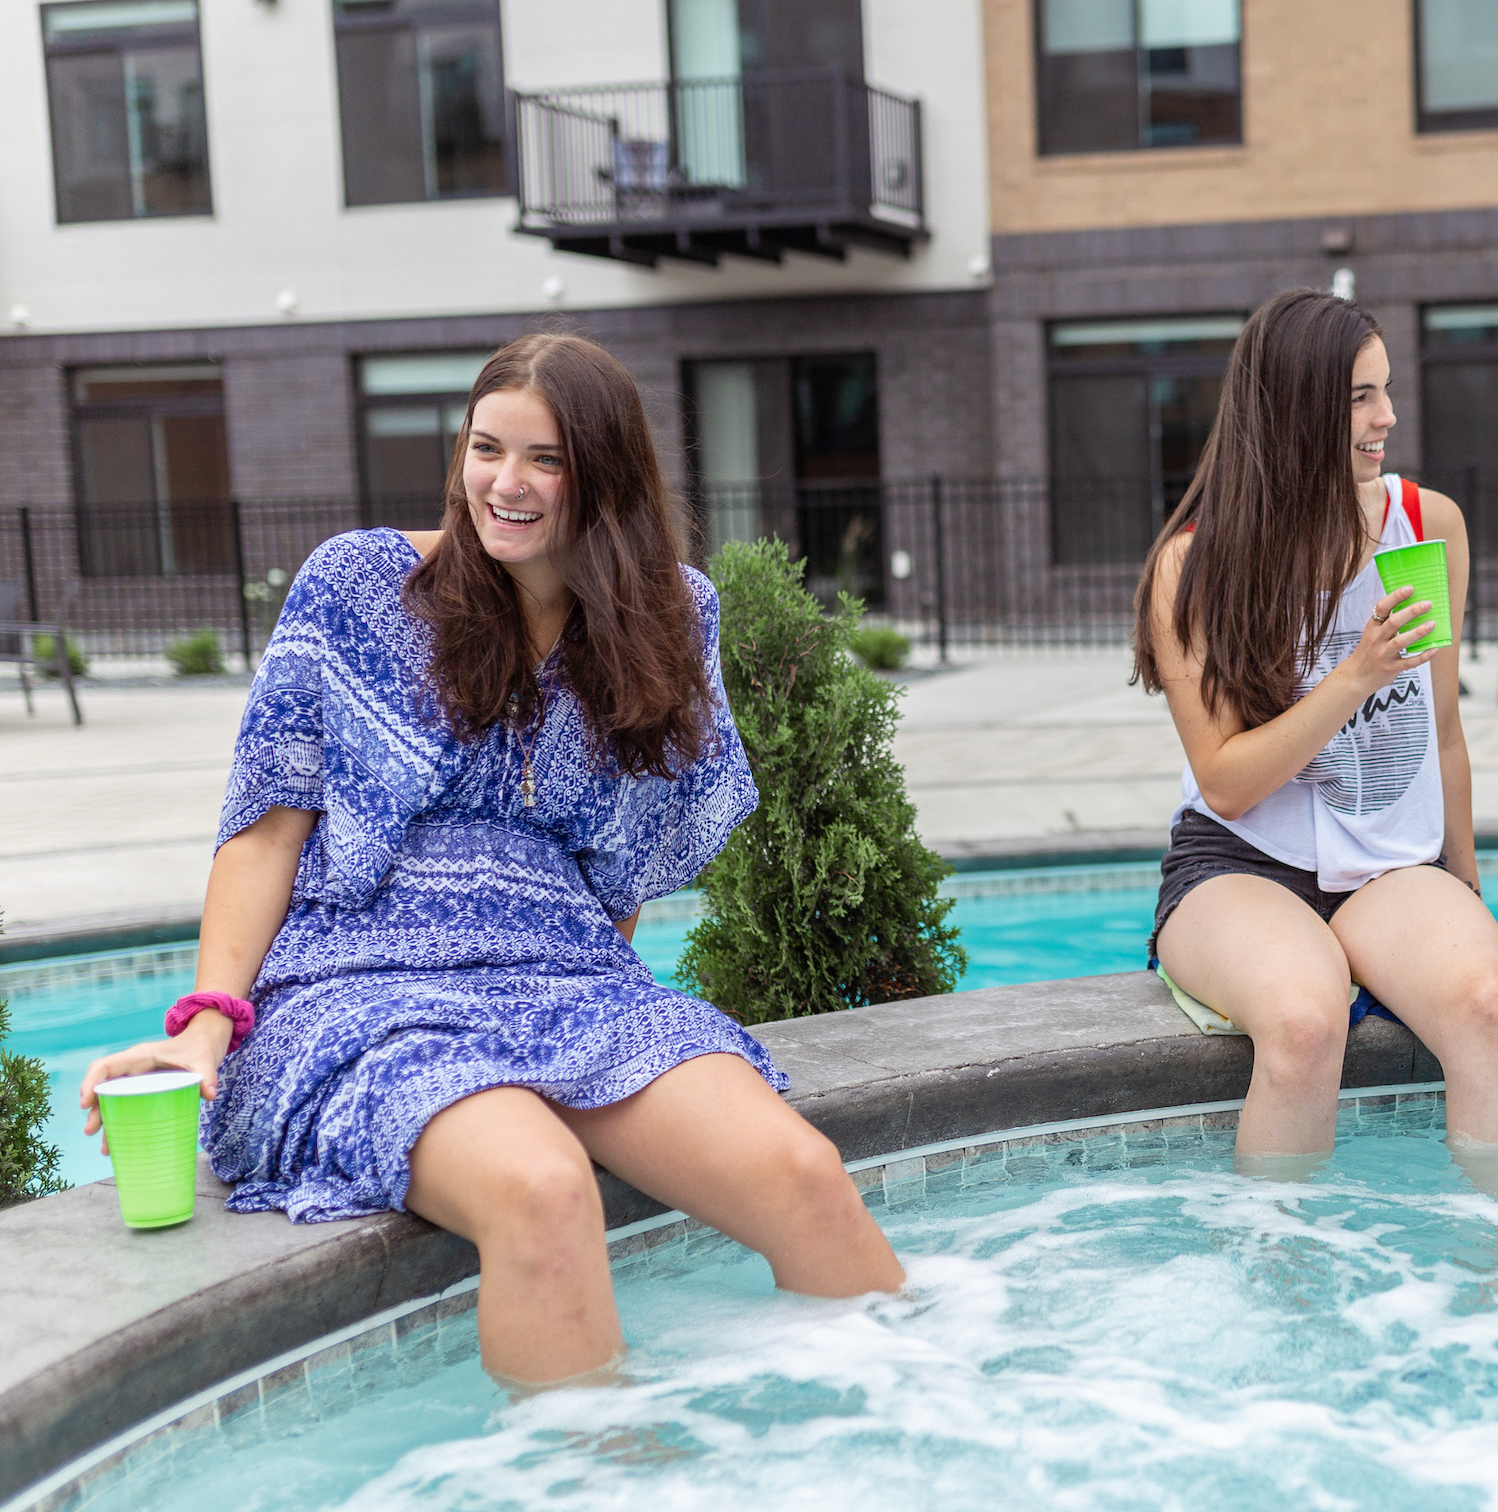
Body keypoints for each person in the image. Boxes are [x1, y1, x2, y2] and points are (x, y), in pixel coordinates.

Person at [78, 333, 902, 1386]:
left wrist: (592, 1040)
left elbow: (627, 871)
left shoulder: (671, 615)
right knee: (543, 1186)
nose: (504, 484)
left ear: (605, 477)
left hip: (569, 979)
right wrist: (206, 1028)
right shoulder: (360, 586)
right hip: (362, 985)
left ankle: (917, 1453)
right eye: (485, 448)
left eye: (546, 459)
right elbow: (267, 826)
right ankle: (599, 1510)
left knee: (801, 1170)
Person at [1134, 288, 1498, 1167]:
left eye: (1386, 391)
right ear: (1290, 407)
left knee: (1487, 1002)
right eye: (1361, 396)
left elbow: (1442, 730)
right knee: (1305, 1020)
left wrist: (1466, 896)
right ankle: (1289, 1291)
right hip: (1239, 863)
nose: (1387, 417)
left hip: (1391, 861)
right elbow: (1228, 781)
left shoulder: (1425, 527)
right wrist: (1356, 673)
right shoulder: (1196, 565)